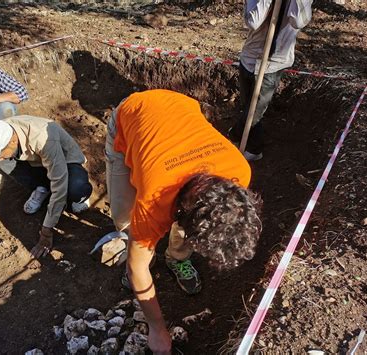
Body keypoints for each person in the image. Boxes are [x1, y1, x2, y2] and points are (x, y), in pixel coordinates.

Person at [106, 89, 262, 353]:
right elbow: (137, 269)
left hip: (180, 109)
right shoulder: (155, 198)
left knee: (176, 231)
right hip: (132, 114)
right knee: (123, 215)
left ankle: (176, 257)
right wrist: (157, 329)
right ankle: (147, 251)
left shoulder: (238, 171)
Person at [0, 115, 93, 258]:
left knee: (75, 187)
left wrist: (46, 231)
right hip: (38, 163)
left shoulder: (43, 137)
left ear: (12, 141)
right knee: (2, 161)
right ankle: (43, 187)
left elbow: (59, 185)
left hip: (66, 163)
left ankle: (78, 197)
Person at [229, 0, 313, 161]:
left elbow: (299, 21)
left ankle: (244, 142)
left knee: (255, 111)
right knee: (248, 107)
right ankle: (251, 145)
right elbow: (253, 21)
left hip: (273, 64)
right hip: (250, 57)